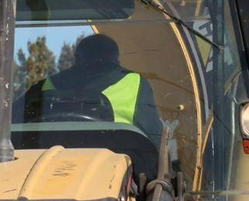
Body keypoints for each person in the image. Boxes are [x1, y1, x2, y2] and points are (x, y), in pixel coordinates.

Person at [20, 33, 163, 139]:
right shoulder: (135, 83)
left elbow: (6, 126)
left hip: (43, 166)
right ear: (115, 59)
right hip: (119, 168)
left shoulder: (45, 87)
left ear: (77, 58)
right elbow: (153, 137)